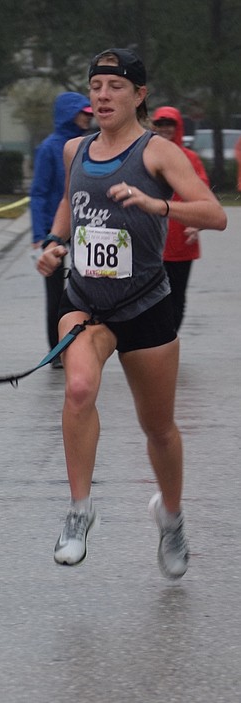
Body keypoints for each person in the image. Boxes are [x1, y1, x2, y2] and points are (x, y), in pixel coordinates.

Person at [36, 48, 226, 578]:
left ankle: (171, 517)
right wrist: (54, 242)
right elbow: (71, 205)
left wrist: (157, 205)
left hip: (145, 305)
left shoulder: (157, 153)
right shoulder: (75, 149)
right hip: (86, 305)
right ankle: (78, 512)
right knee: (78, 390)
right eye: (96, 86)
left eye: (115, 87)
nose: (102, 95)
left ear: (139, 96)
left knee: (159, 427)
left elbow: (214, 215)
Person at [30, 92, 93, 368]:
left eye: (90, 113)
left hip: (84, 230)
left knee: (84, 292)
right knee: (55, 295)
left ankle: (81, 344)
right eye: (83, 112)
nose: (87, 117)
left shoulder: (88, 144)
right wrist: (40, 235)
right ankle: (55, 351)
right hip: (53, 233)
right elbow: (39, 193)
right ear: (69, 113)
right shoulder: (49, 148)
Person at [151, 106, 210, 331]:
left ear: (177, 127)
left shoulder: (190, 159)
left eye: (169, 124)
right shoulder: (147, 154)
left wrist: (197, 225)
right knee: (150, 296)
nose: (165, 128)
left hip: (180, 239)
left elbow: (203, 194)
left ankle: (170, 339)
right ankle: (155, 341)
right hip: (151, 239)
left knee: (176, 295)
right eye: (160, 124)